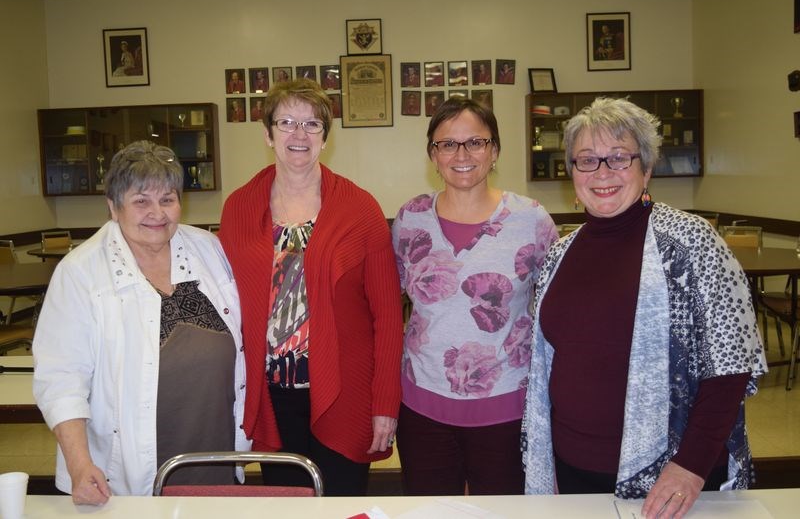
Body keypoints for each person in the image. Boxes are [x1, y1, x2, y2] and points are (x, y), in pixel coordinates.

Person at [521, 97, 767, 518]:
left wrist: (689, 466)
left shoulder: (692, 243)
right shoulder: (560, 253)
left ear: (646, 167)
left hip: (671, 480)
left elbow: (730, 366)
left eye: (618, 158)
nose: (602, 173)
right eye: (587, 160)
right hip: (575, 467)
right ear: (571, 171)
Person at [32, 140, 248, 505]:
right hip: (128, 473)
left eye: (168, 199)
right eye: (141, 201)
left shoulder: (207, 249)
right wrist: (80, 465)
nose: (157, 213)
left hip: (215, 455)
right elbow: (60, 379)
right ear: (113, 207)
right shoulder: (81, 272)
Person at [218, 78, 403, 496]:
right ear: (268, 134)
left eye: (312, 124)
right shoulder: (239, 207)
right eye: (286, 122)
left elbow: (389, 316)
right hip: (272, 401)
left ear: (325, 138)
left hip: (346, 395)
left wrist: (385, 406)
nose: (299, 134)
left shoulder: (360, 209)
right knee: (287, 508)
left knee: (341, 504)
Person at [392, 97, 558, 496]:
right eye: (447, 144)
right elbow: (387, 303)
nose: (461, 154)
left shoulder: (531, 220)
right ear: (433, 155)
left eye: (476, 142)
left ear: (494, 150)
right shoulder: (409, 219)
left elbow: (555, 311)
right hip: (423, 406)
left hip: (506, 408)